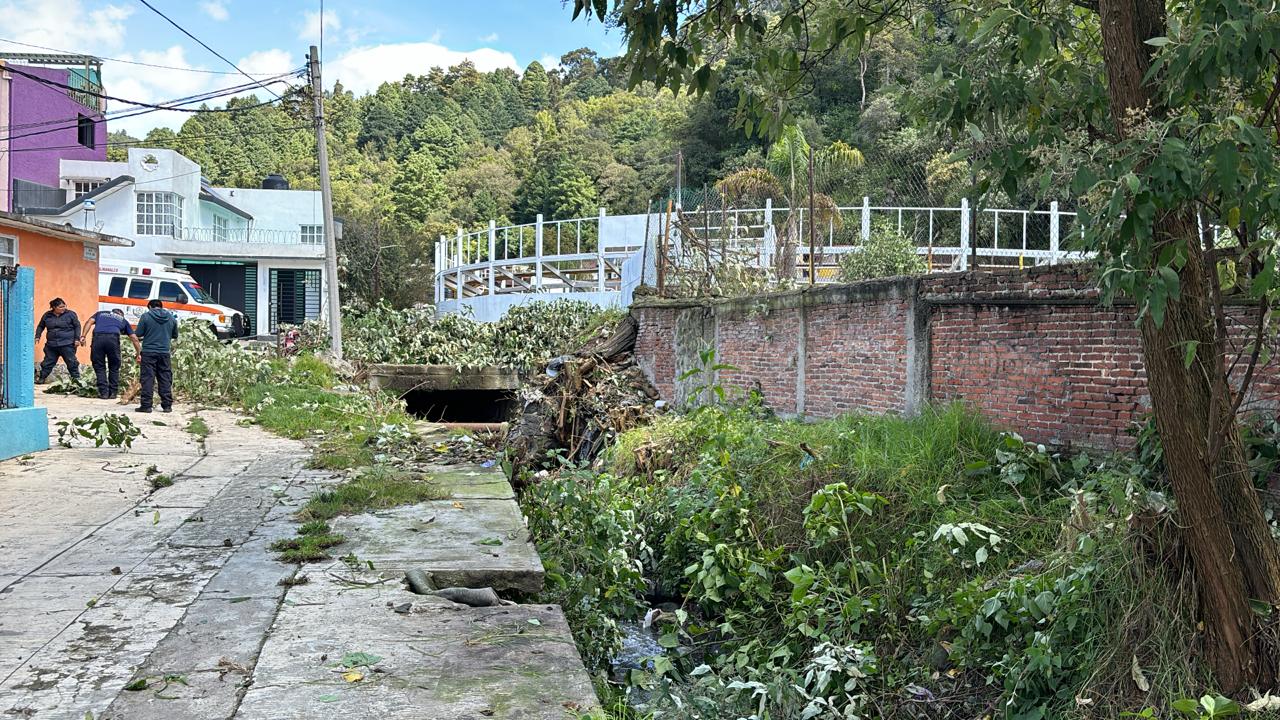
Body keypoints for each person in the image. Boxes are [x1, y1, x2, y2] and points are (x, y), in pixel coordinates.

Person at [81, 308, 142, 400]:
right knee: (114, 366)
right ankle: (113, 393)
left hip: (98, 338)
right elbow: (134, 338)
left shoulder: (100, 314)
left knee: (99, 366)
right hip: (113, 339)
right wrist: (139, 353)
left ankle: (104, 393)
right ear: (121, 315)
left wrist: (83, 336)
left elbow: (89, 322)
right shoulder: (123, 320)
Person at [135, 299, 179, 413]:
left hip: (149, 352)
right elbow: (175, 335)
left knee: (148, 378)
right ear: (161, 306)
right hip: (164, 352)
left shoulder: (146, 316)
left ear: (149, 306)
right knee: (165, 378)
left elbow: (139, 333)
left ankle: (146, 406)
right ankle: (167, 405)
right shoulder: (171, 317)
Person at [35, 298, 82, 383]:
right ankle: (41, 378)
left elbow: (77, 326)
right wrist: (37, 336)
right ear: (54, 307)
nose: (64, 308)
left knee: (72, 362)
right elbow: (41, 326)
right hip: (51, 345)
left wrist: (77, 339)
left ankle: (76, 380)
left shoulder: (71, 314)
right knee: (47, 362)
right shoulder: (47, 315)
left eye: (64, 306)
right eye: (61, 307)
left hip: (67, 344)